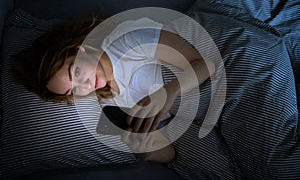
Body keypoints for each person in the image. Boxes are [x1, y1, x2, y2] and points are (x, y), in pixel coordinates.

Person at [12, 16, 215, 163]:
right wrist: (145, 149)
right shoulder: (111, 106)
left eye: (77, 72)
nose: (86, 85)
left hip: (214, 75)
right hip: (198, 121)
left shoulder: (127, 41)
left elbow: (206, 64)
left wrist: (168, 92)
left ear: (78, 49)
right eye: (73, 90)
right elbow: (170, 154)